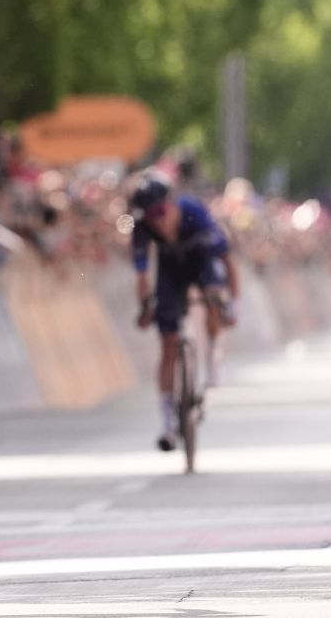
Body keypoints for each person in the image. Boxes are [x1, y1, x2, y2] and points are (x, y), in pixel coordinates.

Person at [128, 171, 238, 451]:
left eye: (162, 212)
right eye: (151, 217)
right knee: (168, 343)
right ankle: (167, 422)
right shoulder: (142, 228)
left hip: (201, 259)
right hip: (170, 268)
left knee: (213, 295)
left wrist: (232, 303)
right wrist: (145, 306)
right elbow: (141, 277)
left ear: (173, 204)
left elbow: (228, 263)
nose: (159, 221)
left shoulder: (195, 213)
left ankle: (213, 354)